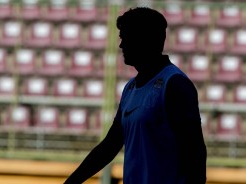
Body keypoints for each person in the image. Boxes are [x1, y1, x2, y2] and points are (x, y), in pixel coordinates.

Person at [64, 7, 207, 184]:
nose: (121, 45)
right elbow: (111, 144)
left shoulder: (174, 84)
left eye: (126, 37)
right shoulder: (130, 88)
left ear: (145, 39)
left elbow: (195, 152)